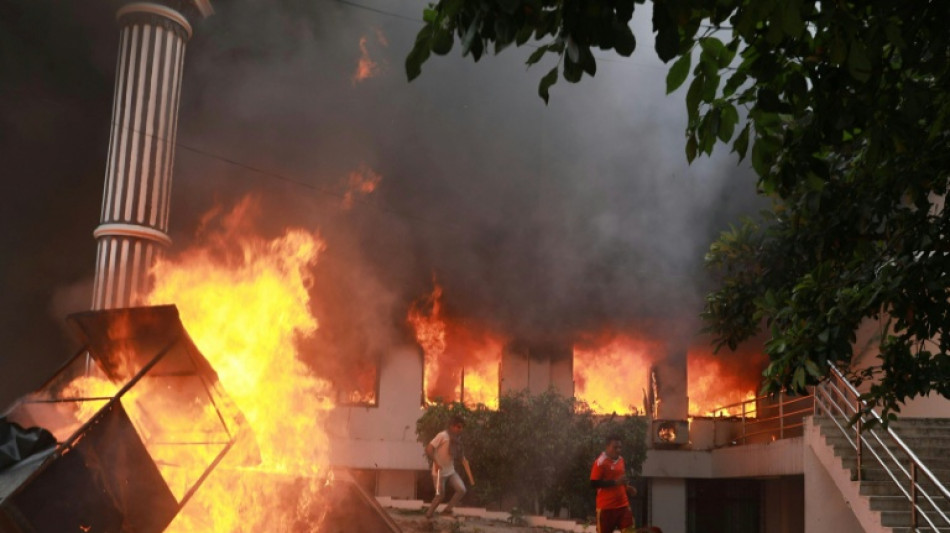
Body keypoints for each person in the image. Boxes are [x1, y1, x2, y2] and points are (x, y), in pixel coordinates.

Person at [424, 415, 470, 519]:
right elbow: (429, 448)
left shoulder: (457, 439)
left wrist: (463, 459)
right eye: (458, 427)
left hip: (450, 471)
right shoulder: (442, 435)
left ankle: (447, 510)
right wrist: (436, 462)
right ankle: (428, 515)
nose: (460, 429)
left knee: (461, 490)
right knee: (440, 496)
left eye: (461, 427)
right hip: (439, 472)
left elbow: (458, 453)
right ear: (452, 426)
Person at [590, 434, 638, 533]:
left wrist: (627, 488)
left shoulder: (621, 460)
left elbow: (621, 480)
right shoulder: (600, 462)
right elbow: (593, 483)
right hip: (606, 508)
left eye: (620, 447)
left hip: (623, 506)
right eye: (615, 447)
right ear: (607, 447)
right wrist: (615, 483)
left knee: (630, 531)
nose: (618, 450)